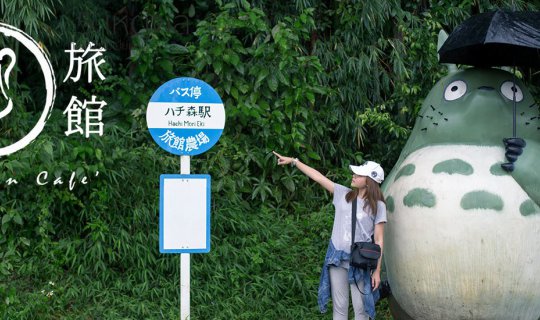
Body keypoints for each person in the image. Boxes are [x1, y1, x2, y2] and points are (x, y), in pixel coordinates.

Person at [273, 151, 386, 320]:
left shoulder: (378, 206)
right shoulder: (344, 194)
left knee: (361, 310)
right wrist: (294, 162)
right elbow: (318, 177)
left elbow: (378, 240)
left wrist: (377, 271)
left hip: (360, 261)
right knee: (339, 308)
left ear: (369, 182)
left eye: (359, 175)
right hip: (337, 257)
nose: (353, 176)